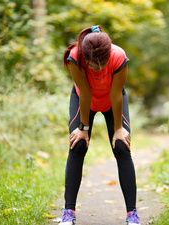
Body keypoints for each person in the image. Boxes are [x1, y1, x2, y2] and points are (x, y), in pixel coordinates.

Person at [60, 25, 140, 225]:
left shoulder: (118, 56)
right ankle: (68, 213)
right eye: (91, 64)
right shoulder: (74, 56)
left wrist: (120, 129)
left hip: (112, 100)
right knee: (77, 145)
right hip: (83, 99)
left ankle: (132, 214)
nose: (96, 68)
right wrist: (84, 129)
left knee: (122, 146)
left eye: (101, 64)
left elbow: (116, 94)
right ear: (84, 56)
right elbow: (85, 94)